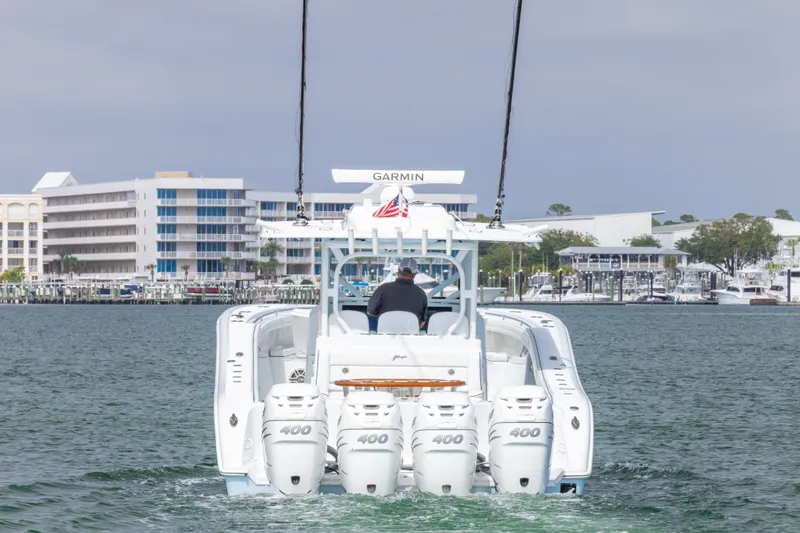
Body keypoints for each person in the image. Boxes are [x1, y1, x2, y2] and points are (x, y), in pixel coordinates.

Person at [367, 258, 428, 330]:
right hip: (410, 337)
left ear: (398, 271)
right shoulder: (422, 294)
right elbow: (423, 320)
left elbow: (370, 312)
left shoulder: (383, 289)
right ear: (414, 275)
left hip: (385, 335)